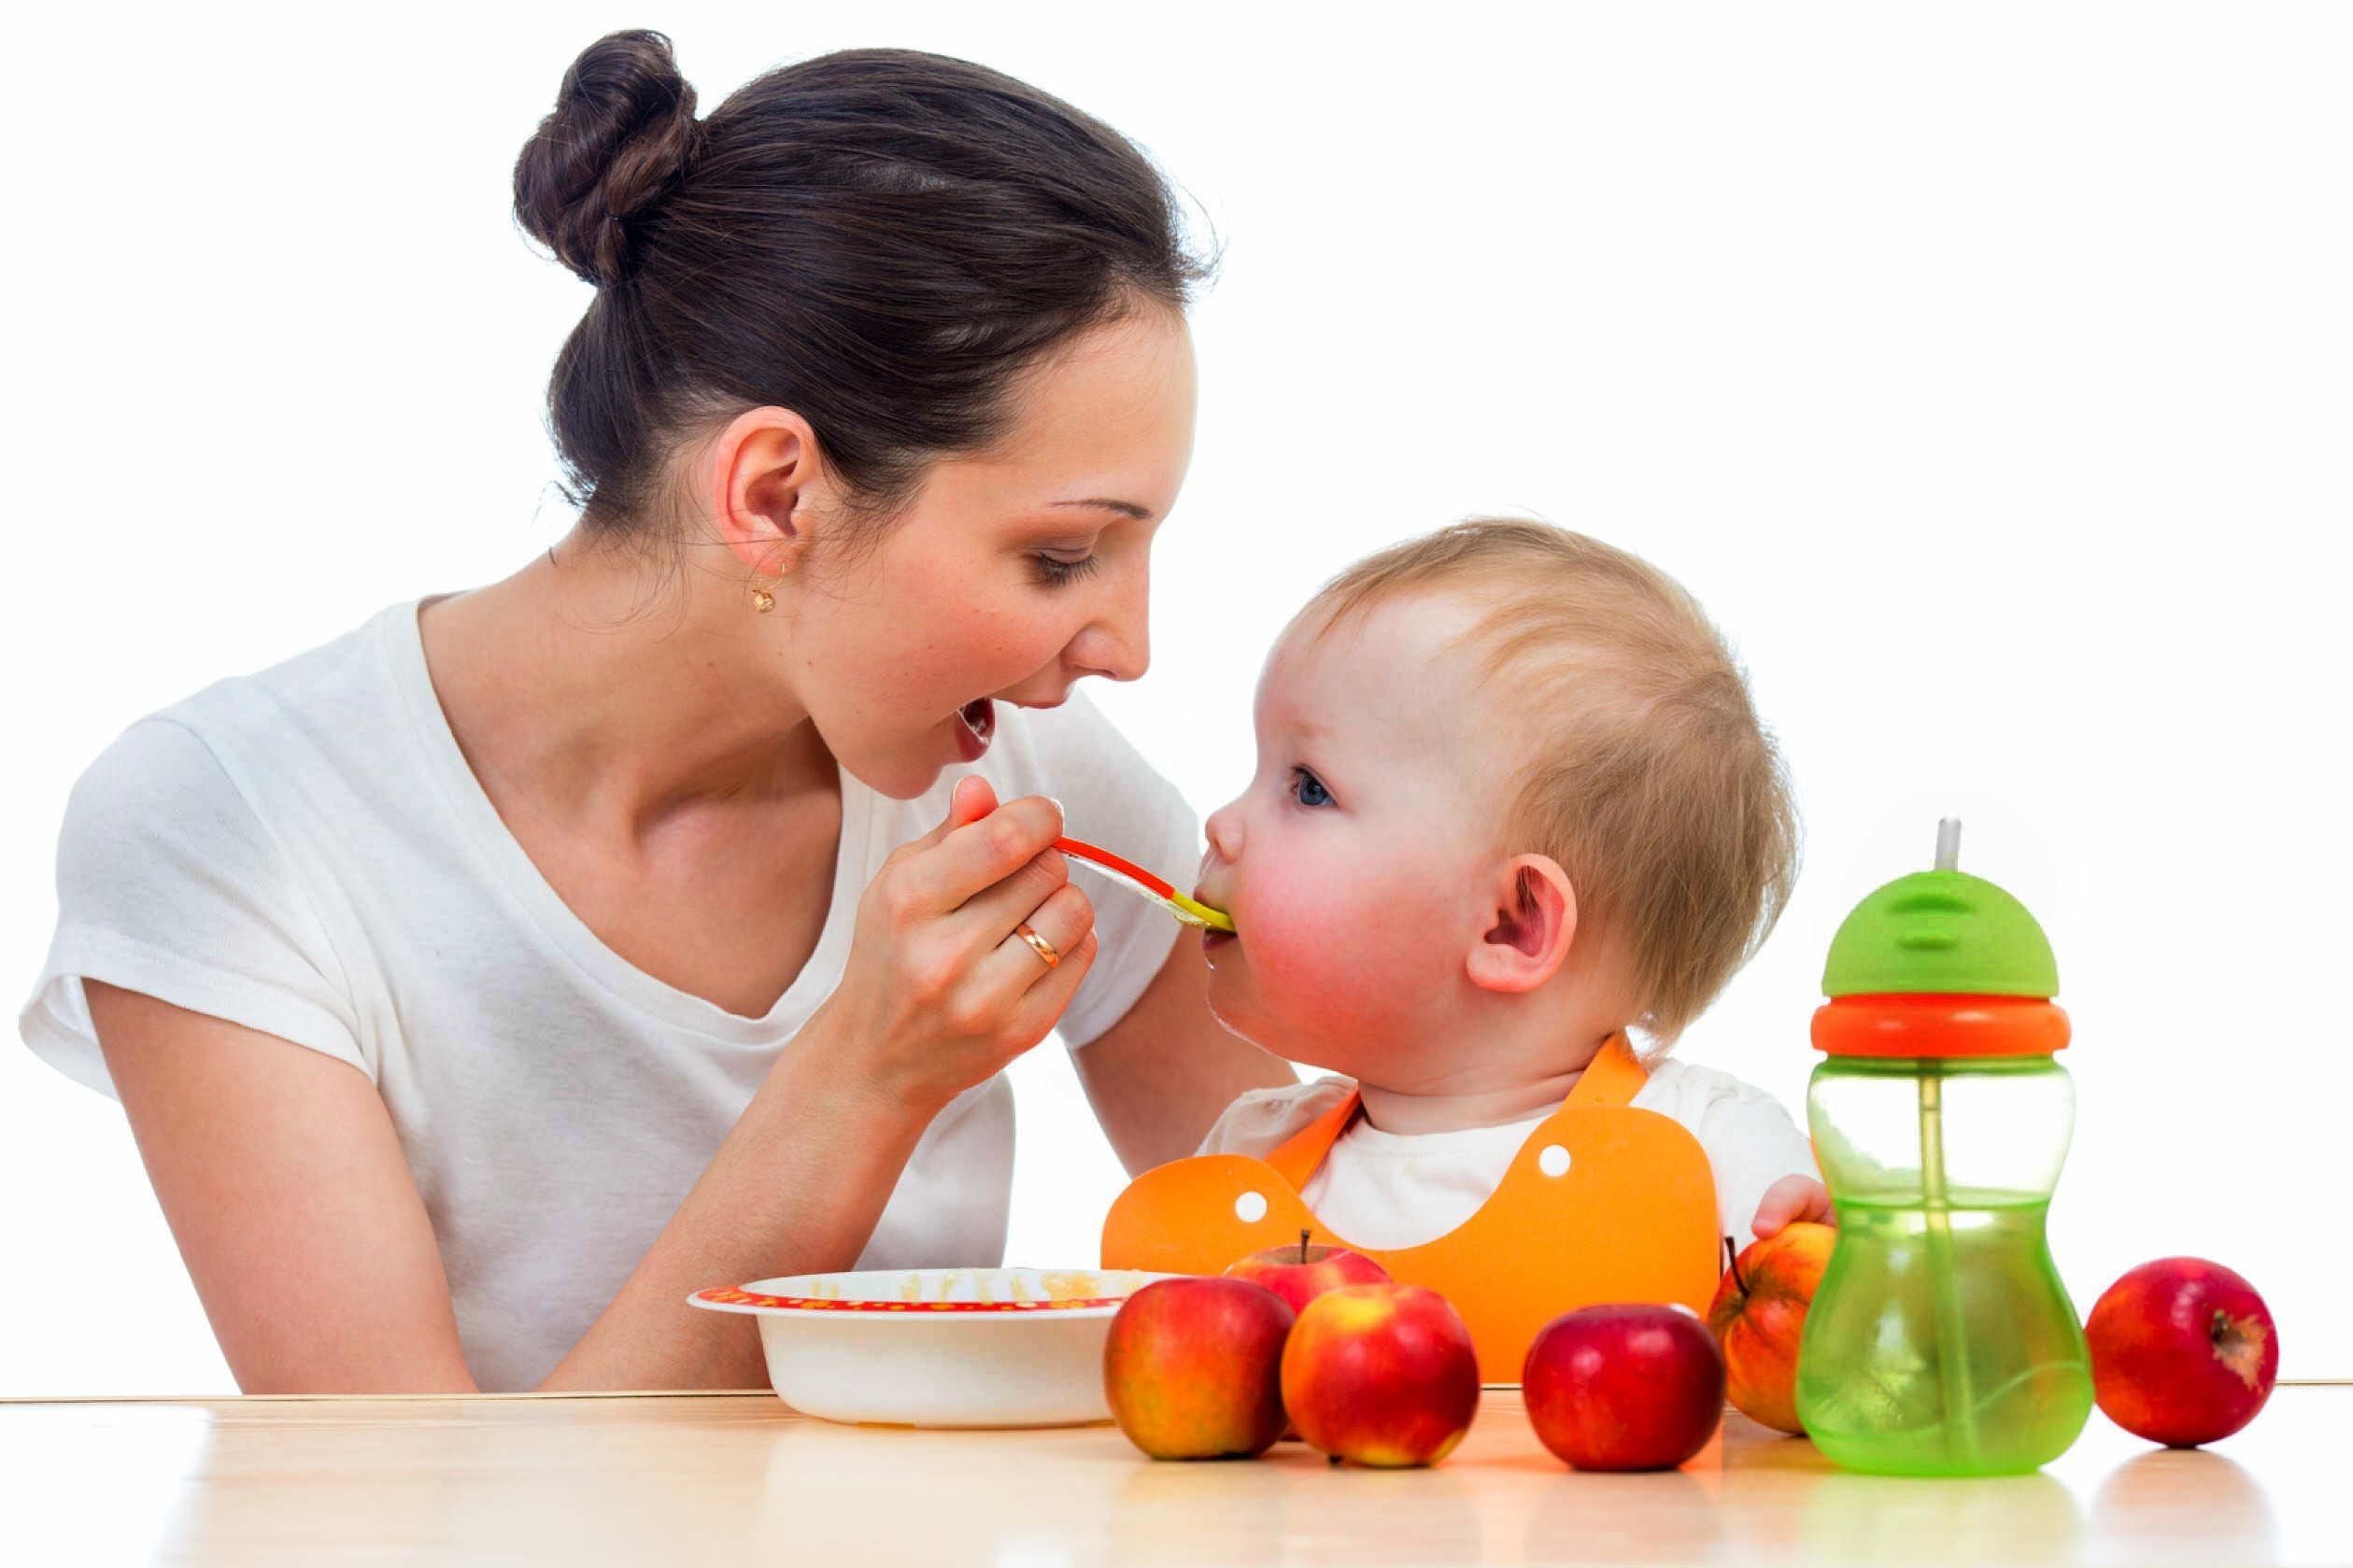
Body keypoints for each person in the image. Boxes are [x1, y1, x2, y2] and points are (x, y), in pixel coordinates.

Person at [16, 32, 1289, 1393]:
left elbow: (1337, 1284)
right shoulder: (234, 827)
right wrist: (856, 1080)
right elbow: (394, 1520)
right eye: (1059, 556)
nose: (1131, 648)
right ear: (773, 496)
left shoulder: (1018, 776)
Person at [1190, 519, 1831, 1247]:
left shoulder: (1718, 1153)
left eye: (1308, 788)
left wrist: (1831, 1271)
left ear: (1511, 924)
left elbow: (1818, 1337)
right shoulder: (1244, 1159)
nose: (1220, 823)